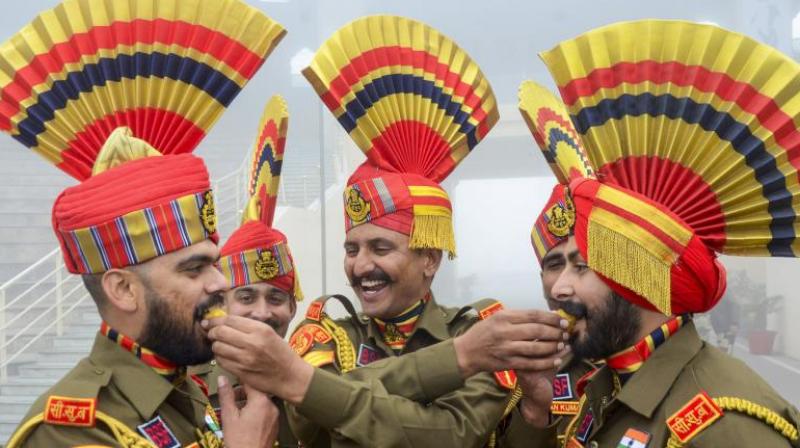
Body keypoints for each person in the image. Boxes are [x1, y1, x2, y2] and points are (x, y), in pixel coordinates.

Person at [207, 14, 568, 448]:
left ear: (429, 258)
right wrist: (460, 361)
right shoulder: (325, 332)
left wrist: (309, 386)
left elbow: (451, 435)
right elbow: (308, 424)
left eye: (380, 247)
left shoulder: (479, 330)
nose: (361, 266)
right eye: (351, 248)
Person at [2, 0, 287, 446]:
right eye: (194, 269)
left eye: (215, 263)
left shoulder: (188, 389)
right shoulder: (71, 430)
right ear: (122, 289)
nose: (220, 282)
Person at [510, 19, 800, 447]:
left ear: (638, 274)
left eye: (583, 265)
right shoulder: (605, 386)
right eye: (554, 265)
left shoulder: (725, 427)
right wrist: (535, 408)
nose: (560, 287)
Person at [190, 95, 302, 447]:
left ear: (293, 308)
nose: (262, 312)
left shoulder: (316, 374)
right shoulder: (189, 385)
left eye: (276, 297)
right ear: (221, 303)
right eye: (246, 296)